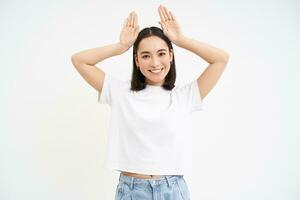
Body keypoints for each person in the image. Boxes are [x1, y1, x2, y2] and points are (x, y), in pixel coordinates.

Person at [71, 5, 229, 200]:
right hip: (132, 190)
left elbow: (221, 59)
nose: (155, 63)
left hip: (173, 190)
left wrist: (181, 40)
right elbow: (79, 60)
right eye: (146, 56)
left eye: (161, 53)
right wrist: (120, 47)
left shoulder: (184, 96)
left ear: (171, 55)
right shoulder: (120, 92)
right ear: (136, 60)